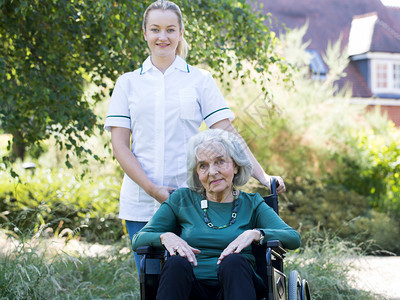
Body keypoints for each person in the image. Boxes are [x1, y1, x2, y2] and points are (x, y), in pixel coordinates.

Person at [104, 0, 286, 272]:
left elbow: (228, 133)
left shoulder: (199, 80)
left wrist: (263, 177)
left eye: (170, 29)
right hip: (141, 202)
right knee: (151, 282)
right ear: (144, 33)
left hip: (193, 203)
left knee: (192, 278)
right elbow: (120, 146)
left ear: (180, 33)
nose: (162, 37)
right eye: (155, 29)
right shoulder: (128, 83)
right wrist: (152, 189)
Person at [132, 129, 301, 299]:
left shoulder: (252, 203)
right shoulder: (181, 199)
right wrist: (164, 236)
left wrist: (256, 233)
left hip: (238, 286)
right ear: (197, 173)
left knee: (234, 261)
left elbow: (293, 237)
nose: (212, 172)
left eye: (220, 161)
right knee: (175, 263)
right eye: (203, 165)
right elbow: (138, 239)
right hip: (191, 290)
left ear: (235, 166)